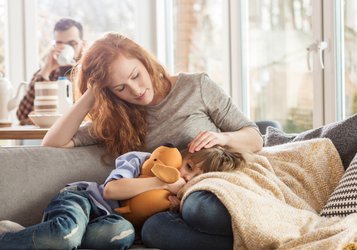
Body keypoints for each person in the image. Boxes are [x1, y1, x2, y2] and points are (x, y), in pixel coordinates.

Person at [41, 32, 263, 249]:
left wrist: (222, 138)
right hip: (169, 207)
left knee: (199, 209)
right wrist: (92, 93)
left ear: (145, 61)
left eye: (136, 75)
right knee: (153, 231)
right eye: (120, 88)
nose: (135, 90)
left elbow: (255, 139)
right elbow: (53, 142)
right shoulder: (119, 119)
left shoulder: (196, 87)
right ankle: (250, 241)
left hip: (213, 189)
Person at [0, 145, 245, 249]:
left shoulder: (185, 201)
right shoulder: (143, 160)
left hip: (110, 224)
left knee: (120, 236)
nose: (186, 176)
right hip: (84, 200)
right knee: (67, 235)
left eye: (195, 177)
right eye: (189, 166)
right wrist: (162, 182)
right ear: (182, 155)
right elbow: (111, 191)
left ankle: (32, 235)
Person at [16, 18, 86, 125]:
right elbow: (23, 115)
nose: (65, 48)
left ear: (83, 44)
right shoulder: (49, 73)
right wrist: (46, 71)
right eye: (59, 43)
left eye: (72, 43)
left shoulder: (92, 73)